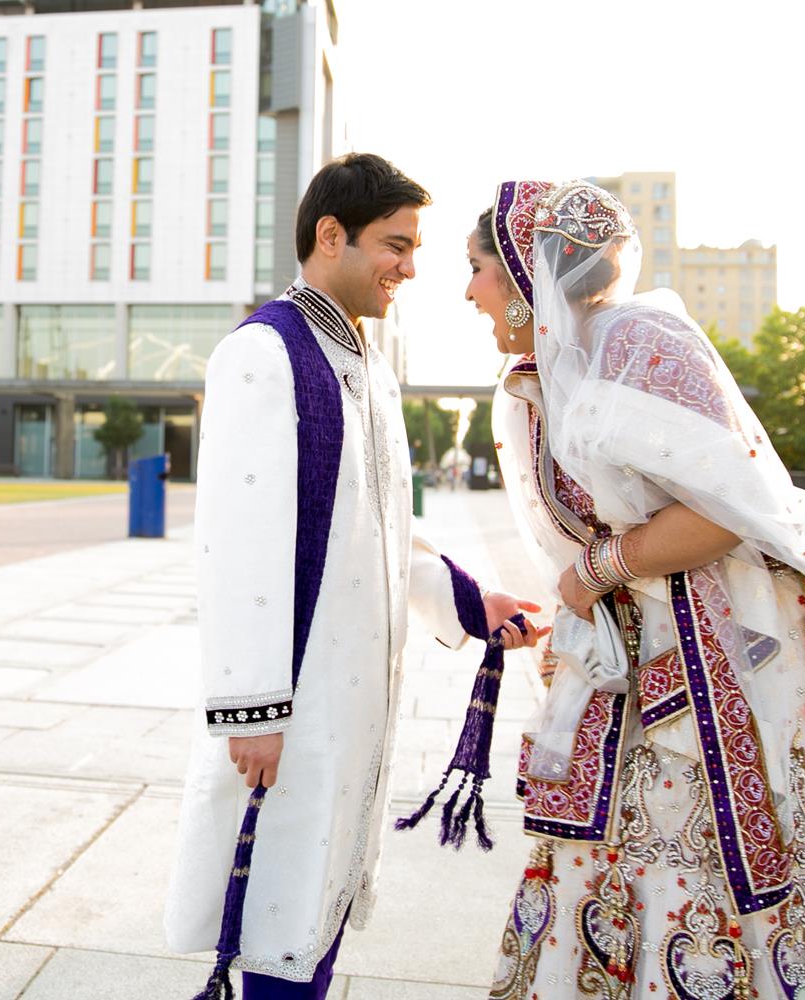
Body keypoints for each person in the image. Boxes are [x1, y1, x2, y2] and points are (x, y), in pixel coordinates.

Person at [466, 180, 805, 999]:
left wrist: (590, 576)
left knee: (706, 865)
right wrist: (573, 608)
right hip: (650, 658)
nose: (468, 289)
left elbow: (722, 512)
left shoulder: (639, 339)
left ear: (527, 272)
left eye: (478, 267)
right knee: (625, 857)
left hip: (732, 658)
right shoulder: (554, 368)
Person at [164, 153, 544, 1000]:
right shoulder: (266, 351)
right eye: (394, 245)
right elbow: (238, 544)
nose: (409, 268)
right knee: (277, 921)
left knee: (316, 912)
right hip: (290, 705)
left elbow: (375, 531)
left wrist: (471, 602)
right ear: (328, 235)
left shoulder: (362, 359)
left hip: (349, 697)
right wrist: (251, 709)